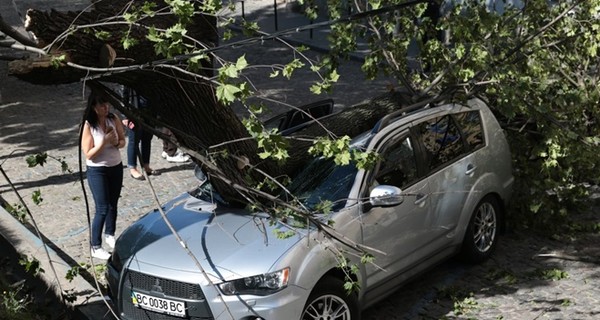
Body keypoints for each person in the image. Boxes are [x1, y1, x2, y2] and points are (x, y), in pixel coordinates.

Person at [81, 93, 125, 260]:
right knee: (102, 208)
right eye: (101, 106)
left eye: (106, 104)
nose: (105, 108)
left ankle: (110, 234)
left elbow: (122, 141)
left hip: (115, 167)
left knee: (113, 203)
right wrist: (104, 142)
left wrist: (115, 142)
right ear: (94, 107)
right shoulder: (88, 125)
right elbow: (89, 154)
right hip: (97, 170)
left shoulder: (113, 119)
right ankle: (95, 245)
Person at [121, 87, 157, 180]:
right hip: (134, 111)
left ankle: (146, 165)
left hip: (149, 112)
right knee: (134, 141)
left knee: (147, 139)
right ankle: (132, 168)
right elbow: (123, 94)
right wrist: (125, 115)